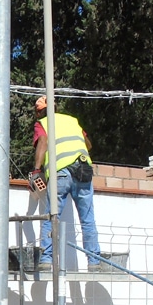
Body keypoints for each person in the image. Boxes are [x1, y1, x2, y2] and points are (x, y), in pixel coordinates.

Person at [29, 95, 111, 271]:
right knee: (87, 219)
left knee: (51, 216)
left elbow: (42, 142)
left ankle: (46, 259)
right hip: (83, 170)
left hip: (61, 173)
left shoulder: (43, 123)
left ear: (39, 112)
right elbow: (88, 144)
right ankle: (94, 262)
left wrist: (37, 171)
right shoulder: (72, 121)